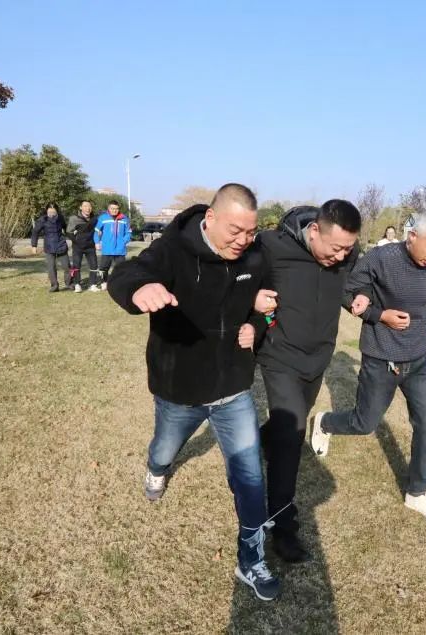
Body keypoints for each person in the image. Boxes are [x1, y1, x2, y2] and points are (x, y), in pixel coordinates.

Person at [106, 183, 280, 601]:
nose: (243, 240)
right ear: (211, 219)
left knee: (250, 476)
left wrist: (256, 325)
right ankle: (156, 469)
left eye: (250, 232)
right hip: (179, 388)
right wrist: (139, 289)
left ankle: (250, 560)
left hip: (233, 388)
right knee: (165, 449)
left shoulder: (255, 255)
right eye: (235, 231)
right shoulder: (174, 249)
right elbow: (126, 273)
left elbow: (268, 307)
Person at [311, 213, 426, 526]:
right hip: (382, 358)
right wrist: (379, 315)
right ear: (412, 236)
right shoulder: (381, 257)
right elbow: (347, 292)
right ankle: (325, 422)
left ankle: (417, 493)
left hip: (419, 359)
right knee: (364, 423)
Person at [254, 200, 362, 563]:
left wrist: (361, 297)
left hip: (318, 358)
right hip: (279, 355)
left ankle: (261, 438)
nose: (342, 256)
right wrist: (252, 297)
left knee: (287, 425)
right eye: (336, 248)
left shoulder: (347, 253)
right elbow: (237, 275)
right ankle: (283, 527)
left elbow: (354, 282)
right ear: (314, 230)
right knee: (292, 434)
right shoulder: (272, 246)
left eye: (348, 249)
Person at [31, 203, 72, 292]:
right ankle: (54, 286)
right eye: (49, 212)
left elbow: (66, 229)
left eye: (53, 212)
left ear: (57, 211)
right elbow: (35, 232)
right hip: (49, 246)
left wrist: (73, 237)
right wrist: (34, 246)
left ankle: (69, 283)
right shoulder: (42, 219)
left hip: (61, 244)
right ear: (46, 211)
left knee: (67, 266)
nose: (51, 214)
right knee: (51, 267)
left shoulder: (60, 218)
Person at [94, 200, 132, 289]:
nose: (114, 210)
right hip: (107, 248)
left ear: (119, 209)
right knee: (104, 267)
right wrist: (97, 242)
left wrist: (123, 241)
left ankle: (119, 283)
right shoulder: (103, 218)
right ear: (108, 208)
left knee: (121, 268)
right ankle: (104, 282)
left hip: (120, 249)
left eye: (116, 208)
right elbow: (96, 231)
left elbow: (128, 232)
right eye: (112, 208)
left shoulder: (124, 219)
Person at [66, 200, 100, 293]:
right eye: (85, 206)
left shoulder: (95, 219)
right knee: (76, 266)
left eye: (89, 206)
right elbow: (69, 232)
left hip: (90, 246)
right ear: (80, 207)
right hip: (78, 247)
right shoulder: (74, 218)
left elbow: (98, 230)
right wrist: (77, 241)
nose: (88, 208)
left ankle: (92, 285)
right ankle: (77, 284)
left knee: (94, 265)